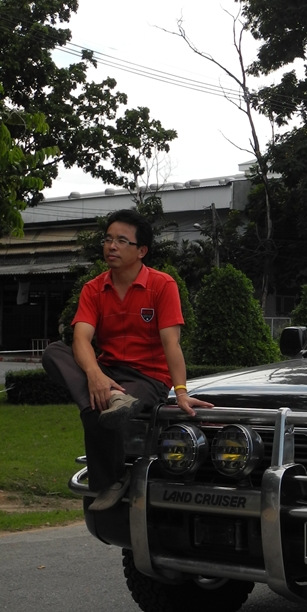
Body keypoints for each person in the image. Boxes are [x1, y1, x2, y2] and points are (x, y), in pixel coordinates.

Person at [43, 210, 212, 511]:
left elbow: (171, 343)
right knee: (55, 352)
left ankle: (110, 474)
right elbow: (81, 339)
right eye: (108, 239)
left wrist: (181, 392)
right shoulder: (94, 288)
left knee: (97, 408)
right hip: (108, 370)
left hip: (146, 377)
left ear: (141, 250)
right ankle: (112, 403)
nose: (112, 246)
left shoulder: (162, 285)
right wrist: (95, 375)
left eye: (122, 241)